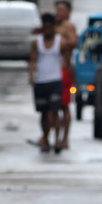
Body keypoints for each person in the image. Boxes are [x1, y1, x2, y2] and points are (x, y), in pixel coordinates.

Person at [30, 12, 65, 153]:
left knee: (54, 111)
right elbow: (32, 60)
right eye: (45, 27)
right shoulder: (36, 42)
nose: (48, 30)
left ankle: (57, 140)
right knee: (44, 113)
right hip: (41, 81)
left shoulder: (60, 42)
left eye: (50, 27)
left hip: (55, 80)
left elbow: (67, 62)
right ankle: (45, 138)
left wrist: (71, 81)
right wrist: (31, 75)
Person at [54, 0, 78, 140]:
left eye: (61, 10)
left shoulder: (68, 26)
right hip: (54, 70)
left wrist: (61, 43)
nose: (58, 13)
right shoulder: (56, 26)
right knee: (54, 107)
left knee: (63, 106)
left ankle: (64, 138)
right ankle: (55, 136)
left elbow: (74, 42)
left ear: (68, 12)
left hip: (64, 69)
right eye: (57, 10)